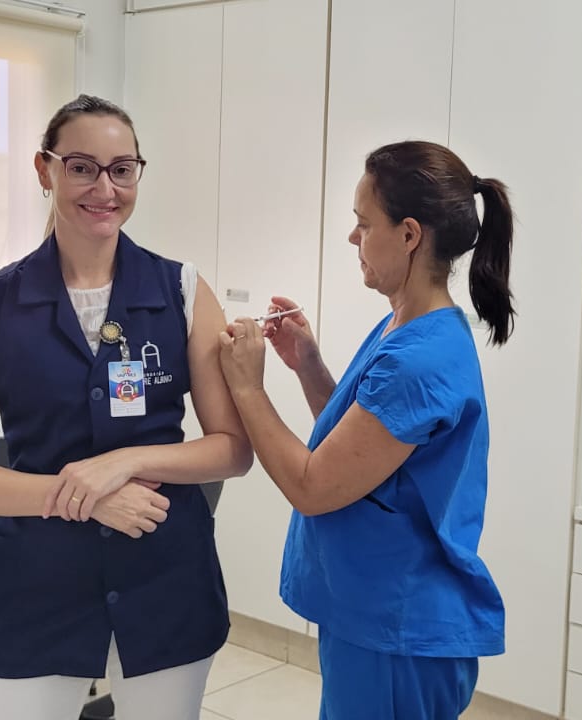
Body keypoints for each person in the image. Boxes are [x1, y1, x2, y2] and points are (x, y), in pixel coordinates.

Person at [0, 94, 253, 720]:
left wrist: (122, 463)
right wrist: (88, 497)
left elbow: (232, 450)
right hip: (38, 584)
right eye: (81, 167)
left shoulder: (181, 289)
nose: (105, 189)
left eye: (122, 169)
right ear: (45, 169)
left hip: (164, 577)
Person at [217, 140, 516, 718]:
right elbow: (361, 451)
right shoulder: (404, 327)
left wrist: (248, 388)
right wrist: (308, 366)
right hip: (376, 613)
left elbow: (313, 485)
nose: (353, 237)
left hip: (398, 627)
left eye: (364, 223)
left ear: (409, 235)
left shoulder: (418, 358)